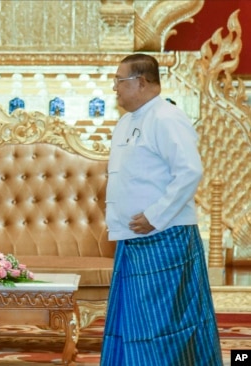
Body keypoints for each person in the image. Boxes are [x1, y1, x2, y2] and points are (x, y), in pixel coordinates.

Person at [101, 53, 223, 365]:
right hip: (132, 239)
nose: (114, 87)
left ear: (140, 83)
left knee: (163, 324)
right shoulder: (126, 122)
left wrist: (155, 217)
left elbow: (189, 172)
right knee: (133, 320)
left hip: (164, 238)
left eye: (119, 80)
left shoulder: (167, 117)